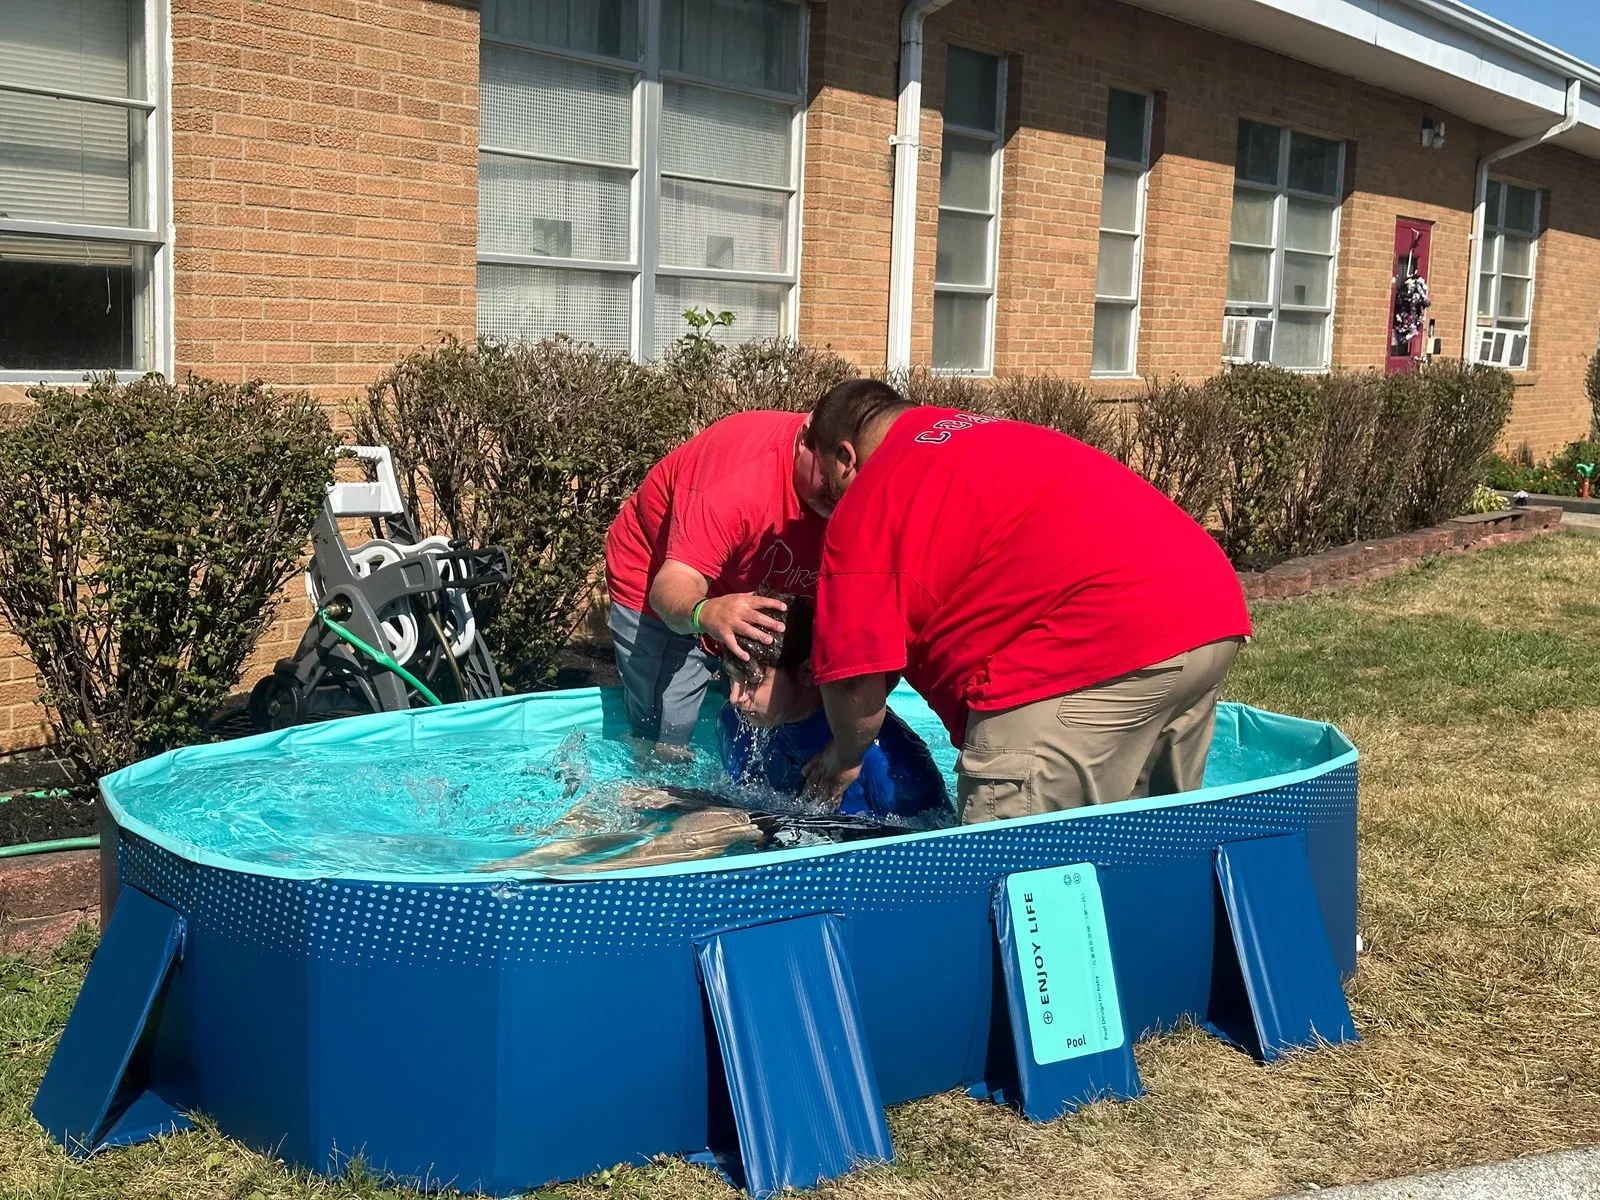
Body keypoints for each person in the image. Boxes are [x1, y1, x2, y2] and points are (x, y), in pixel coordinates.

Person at [799, 379, 1252, 823]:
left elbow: (856, 682)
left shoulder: (868, 499)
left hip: (1094, 642)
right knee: (1146, 850)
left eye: (826, 483)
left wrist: (844, 756)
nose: (829, 499)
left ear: (844, 458)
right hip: (1209, 611)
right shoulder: (983, 433)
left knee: (1014, 875)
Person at [604, 409, 835, 757]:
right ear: (805, 439)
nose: (838, 497)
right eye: (827, 482)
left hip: (739, 578)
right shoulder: (737, 479)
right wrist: (705, 611)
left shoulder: (862, 484)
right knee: (663, 721)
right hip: (661, 577)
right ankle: (647, 779)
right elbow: (674, 587)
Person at [715, 588, 950, 822]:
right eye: (731, 678)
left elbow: (931, 843)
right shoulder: (734, 722)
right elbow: (737, 806)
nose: (736, 697)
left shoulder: (891, 762)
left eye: (752, 682)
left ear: (807, 672)